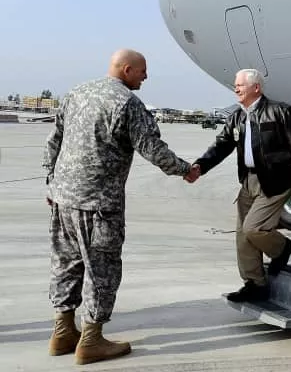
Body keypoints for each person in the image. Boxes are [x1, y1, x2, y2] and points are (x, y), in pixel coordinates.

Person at [42, 49, 200, 365]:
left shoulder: (76, 93)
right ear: (127, 69)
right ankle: (91, 340)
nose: (146, 77)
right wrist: (185, 170)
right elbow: (152, 148)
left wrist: (51, 181)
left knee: (66, 265)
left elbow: (54, 140)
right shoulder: (127, 103)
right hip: (100, 206)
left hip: (63, 200)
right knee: (102, 270)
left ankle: (62, 333)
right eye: (142, 71)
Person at [187, 69, 291, 303]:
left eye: (240, 85)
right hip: (248, 181)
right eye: (235, 85)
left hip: (275, 180)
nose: (236, 88)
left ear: (256, 88)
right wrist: (200, 166)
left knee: (254, 228)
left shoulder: (280, 111)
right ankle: (255, 284)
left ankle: (282, 248)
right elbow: (221, 146)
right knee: (242, 237)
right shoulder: (237, 116)